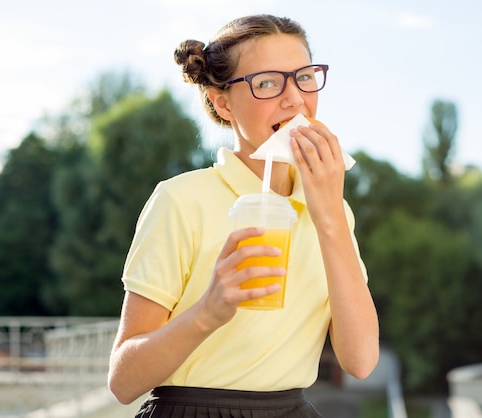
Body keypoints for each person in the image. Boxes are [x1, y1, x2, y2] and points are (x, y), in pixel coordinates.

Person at [108, 14, 379, 418]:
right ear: (222, 102)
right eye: (267, 82)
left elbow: (360, 361)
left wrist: (329, 217)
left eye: (304, 77)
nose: (294, 99)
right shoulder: (181, 200)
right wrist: (208, 312)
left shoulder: (335, 211)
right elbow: (124, 381)